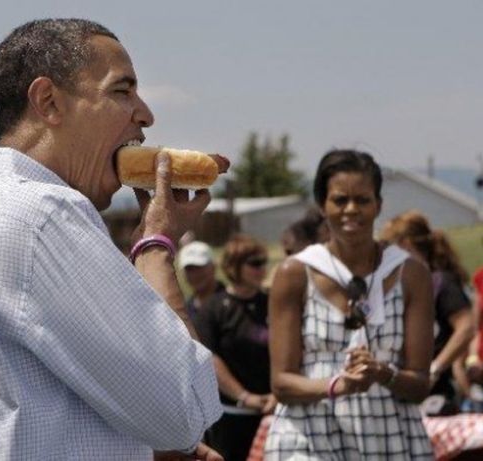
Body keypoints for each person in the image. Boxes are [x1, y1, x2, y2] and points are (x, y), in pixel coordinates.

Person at [0, 19, 224, 460]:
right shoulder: (44, 214)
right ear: (48, 102)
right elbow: (184, 409)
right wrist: (155, 246)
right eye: (122, 91)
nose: (145, 115)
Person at [266, 149, 434, 459]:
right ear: (322, 206)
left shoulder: (411, 273)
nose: (351, 209)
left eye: (363, 200)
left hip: (389, 438)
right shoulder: (295, 273)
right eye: (340, 200)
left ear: (378, 205)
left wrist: (382, 373)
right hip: (311, 436)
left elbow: (421, 384)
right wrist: (337, 385)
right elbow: (281, 383)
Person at [380, 211, 474, 415]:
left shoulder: (439, 282)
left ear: (405, 245)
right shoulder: (406, 286)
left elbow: (467, 327)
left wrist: (435, 368)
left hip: (436, 398)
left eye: (389, 247)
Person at [195, 234, 276, 461]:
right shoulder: (214, 308)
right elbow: (210, 358)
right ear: (234, 267)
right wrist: (244, 397)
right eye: (255, 263)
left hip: (272, 412)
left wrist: (277, 395)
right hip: (232, 418)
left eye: (264, 263)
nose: (262, 269)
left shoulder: (272, 302)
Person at [178, 241, 225, 321]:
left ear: (213, 267)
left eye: (199, 267)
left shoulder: (232, 304)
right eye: (189, 269)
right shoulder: (184, 310)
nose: (194, 274)